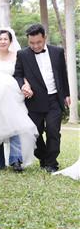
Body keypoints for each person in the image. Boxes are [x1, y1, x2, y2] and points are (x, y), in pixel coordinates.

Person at [0, 28, 38, 171]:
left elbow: (22, 74)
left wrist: (27, 85)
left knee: (16, 126)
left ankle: (16, 160)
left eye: (6, 39)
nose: (3, 41)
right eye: (0, 39)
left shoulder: (17, 56)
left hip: (12, 97)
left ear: (10, 41)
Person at [13, 24, 70, 172]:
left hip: (54, 99)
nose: (35, 46)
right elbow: (18, 74)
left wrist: (66, 94)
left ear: (45, 38)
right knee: (34, 133)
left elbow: (62, 75)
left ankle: (51, 163)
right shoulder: (22, 54)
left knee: (53, 131)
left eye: (38, 42)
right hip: (34, 101)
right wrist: (23, 85)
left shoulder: (57, 52)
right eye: (31, 43)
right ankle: (43, 157)